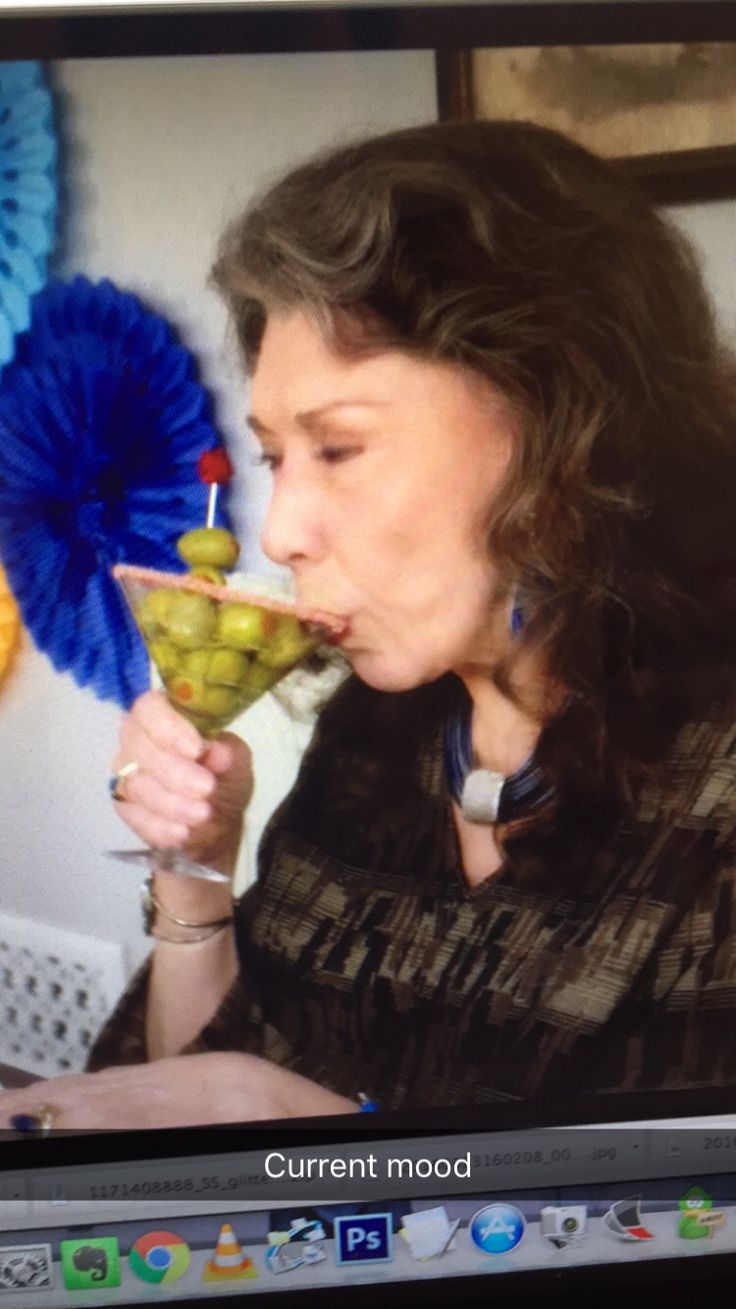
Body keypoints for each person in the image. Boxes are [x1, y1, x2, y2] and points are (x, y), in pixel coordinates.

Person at [3, 118, 736, 1132]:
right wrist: (196, 864)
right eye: (273, 459)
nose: (285, 531)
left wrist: (311, 1128)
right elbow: (186, 1092)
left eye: (339, 448)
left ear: (568, 427)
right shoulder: (373, 738)